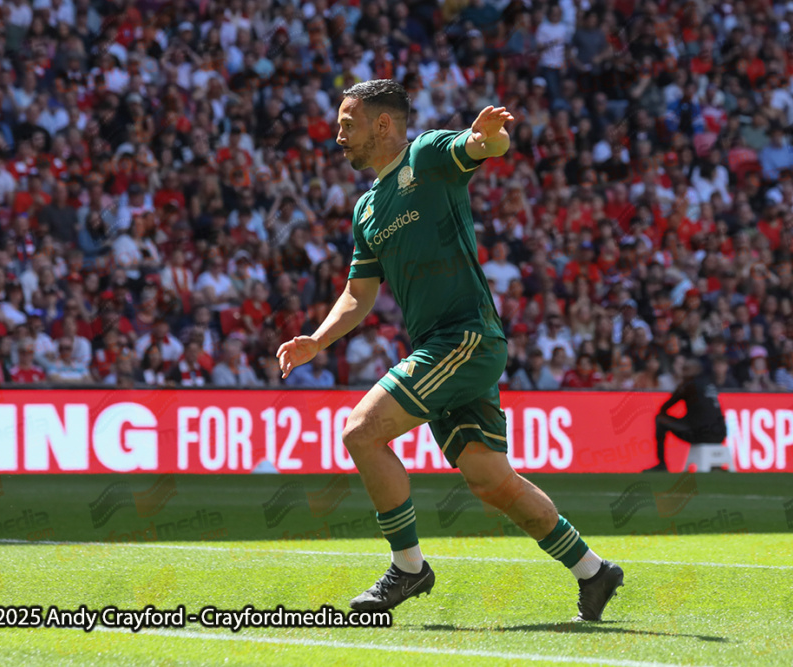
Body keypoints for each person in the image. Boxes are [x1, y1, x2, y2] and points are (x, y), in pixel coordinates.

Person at [276, 80, 622, 622]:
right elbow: (357, 294)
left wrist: (491, 140)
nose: (338, 135)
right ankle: (594, 571)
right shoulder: (366, 209)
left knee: (360, 432)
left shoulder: (427, 154)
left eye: (348, 124)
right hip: (451, 349)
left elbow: (481, 147)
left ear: (382, 124)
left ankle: (409, 567)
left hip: (464, 338)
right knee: (492, 481)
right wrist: (318, 339)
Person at [650, 358, 728, 472]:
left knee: (660, 419)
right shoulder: (708, 383)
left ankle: (661, 464)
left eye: (686, 369)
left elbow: (665, 407)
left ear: (696, 370)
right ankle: (715, 465)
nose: (683, 372)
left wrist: (680, 387)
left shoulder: (689, 385)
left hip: (700, 434)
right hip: (720, 434)